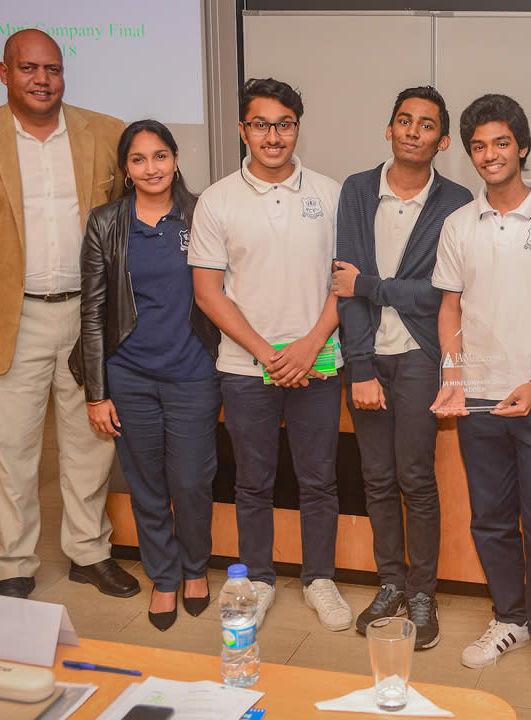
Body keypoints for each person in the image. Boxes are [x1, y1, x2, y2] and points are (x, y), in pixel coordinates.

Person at [0, 28, 137, 599]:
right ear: (4, 73)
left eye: (52, 68)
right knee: (11, 447)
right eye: (28, 68)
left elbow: (124, 217)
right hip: (10, 319)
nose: (42, 79)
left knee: (91, 443)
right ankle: (14, 564)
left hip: (87, 318)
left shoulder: (107, 132)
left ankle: (88, 552)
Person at [431, 93, 531, 695]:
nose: (490, 154)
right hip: (477, 399)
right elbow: (450, 305)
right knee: (492, 520)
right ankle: (510, 618)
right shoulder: (459, 225)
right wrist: (453, 375)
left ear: (522, 147)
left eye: (502, 143)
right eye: (478, 146)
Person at [189, 78, 351, 632]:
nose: (273, 135)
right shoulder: (216, 200)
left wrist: (306, 348)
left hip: (318, 363)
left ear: (297, 127)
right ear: (243, 130)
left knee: (319, 479)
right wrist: (267, 354)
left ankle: (319, 578)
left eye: (284, 123)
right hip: (244, 368)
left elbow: (344, 284)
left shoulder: (332, 195)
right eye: (260, 124)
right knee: (252, 480)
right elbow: (209, 291)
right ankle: (258, 578)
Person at [333, 86, 473, 649]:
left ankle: (423, 591)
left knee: (415, 478)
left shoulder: (457, 201)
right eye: (404, 121)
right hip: (367, 359)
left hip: (420, 356)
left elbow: (445, 291)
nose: (414, 131)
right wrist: (360, 368)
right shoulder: (357, 190)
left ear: (442, 140)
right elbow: (343, 287)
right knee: (377, 478)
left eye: (427, 125)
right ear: (388, 129)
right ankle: (390, 583)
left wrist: (372, 287)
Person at [69, 120, 222, 631]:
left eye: (160, 156)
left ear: (176, 159)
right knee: (147, 483)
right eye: (138, 159)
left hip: (194, 372)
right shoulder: (106, 222)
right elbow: (92, 311)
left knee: (192, 482)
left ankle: (195, 568)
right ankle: (164, 576)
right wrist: (97, 392)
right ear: (126, 169)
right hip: (128, 375)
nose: (151, 167)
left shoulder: (203, 214)